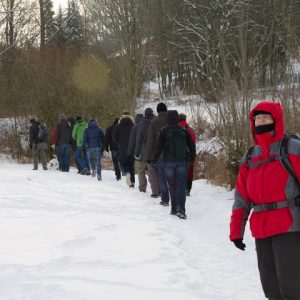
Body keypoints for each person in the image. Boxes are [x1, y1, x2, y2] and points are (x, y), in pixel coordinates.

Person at [230, 101, 300, 300]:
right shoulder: (251, 156)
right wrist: (236, 230)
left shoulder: (292, 148)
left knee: (292, 285)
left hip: (289, 226)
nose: (261, 121)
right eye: (257, 118)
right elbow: (242, 197)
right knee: (270, 287)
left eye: (265, 118)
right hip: (261, 228)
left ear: (276, 120)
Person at [151, 110, 196, 219]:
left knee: (172, 186)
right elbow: (192, 146)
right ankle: (181, 210)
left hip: (169, 163)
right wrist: (192, 159)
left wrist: (153, 160)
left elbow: (158, 147)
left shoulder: (164, 131)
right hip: (182, 162)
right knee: (181, 186)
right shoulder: (184, 130)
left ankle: (174, 208)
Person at [145, 102, 169, 202]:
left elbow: (150, 141)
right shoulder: (172, 120)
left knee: (161, 174)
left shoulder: (154, 123)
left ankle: (161, 194)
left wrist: (149, 157)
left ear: (158, 111)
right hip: (173, 152)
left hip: (159, 152)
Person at [135, 108, 156, 193]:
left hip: (143, 152)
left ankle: (142, 188)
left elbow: (138, 140)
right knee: (152, 171)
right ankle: (155, 188)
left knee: (141, 170)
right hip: (153, 151)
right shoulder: (155, 123)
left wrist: (136, 153)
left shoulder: (141, 125)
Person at [112, 112, 135, 187]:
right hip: (132, 149)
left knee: (123, 163)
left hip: (122, 148)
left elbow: (114, 137)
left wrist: (119, 142)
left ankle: (126, 172)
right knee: (131, 165)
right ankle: (132, 182)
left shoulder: (118, 126)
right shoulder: (133, 126)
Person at [178, 113, 196, 196]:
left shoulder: (176, 129)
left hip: (179, 155)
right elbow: (194, 143)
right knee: (189, 172)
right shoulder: (191, 130)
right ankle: (187, 189)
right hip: (189, 154)